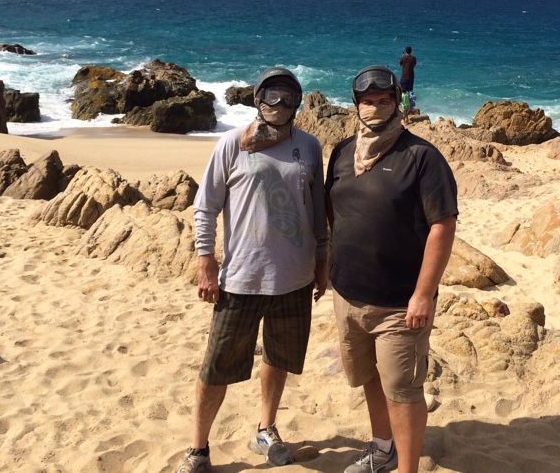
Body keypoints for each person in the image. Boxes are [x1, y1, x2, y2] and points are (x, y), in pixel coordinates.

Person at [176, 67, 329, 473]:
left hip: (294, 279)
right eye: (272, 96)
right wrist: (206, 261)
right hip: (241, 279)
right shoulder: (232, 144)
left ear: (297, 103)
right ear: (257, 99)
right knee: (216, 367)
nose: (279, 104)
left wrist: (322, 263)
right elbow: (205, 205)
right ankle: (198, 449)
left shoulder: (310, 147)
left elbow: (318, 215)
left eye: (288, 97)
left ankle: (266, 428)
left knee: (278, 359)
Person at [325, 65, 458, 473]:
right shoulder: (343, 151)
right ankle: (383, 449)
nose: (376, 108)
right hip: (348, 295)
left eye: (385, 101)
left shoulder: (422, 157)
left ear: (397, 102)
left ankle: (407, 469)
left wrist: (423, 294)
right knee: (369, 378)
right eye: (368, 101)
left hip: (400, 305)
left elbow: (443, 224)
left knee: (402, 390)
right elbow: (335, 212)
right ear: (356, 105)